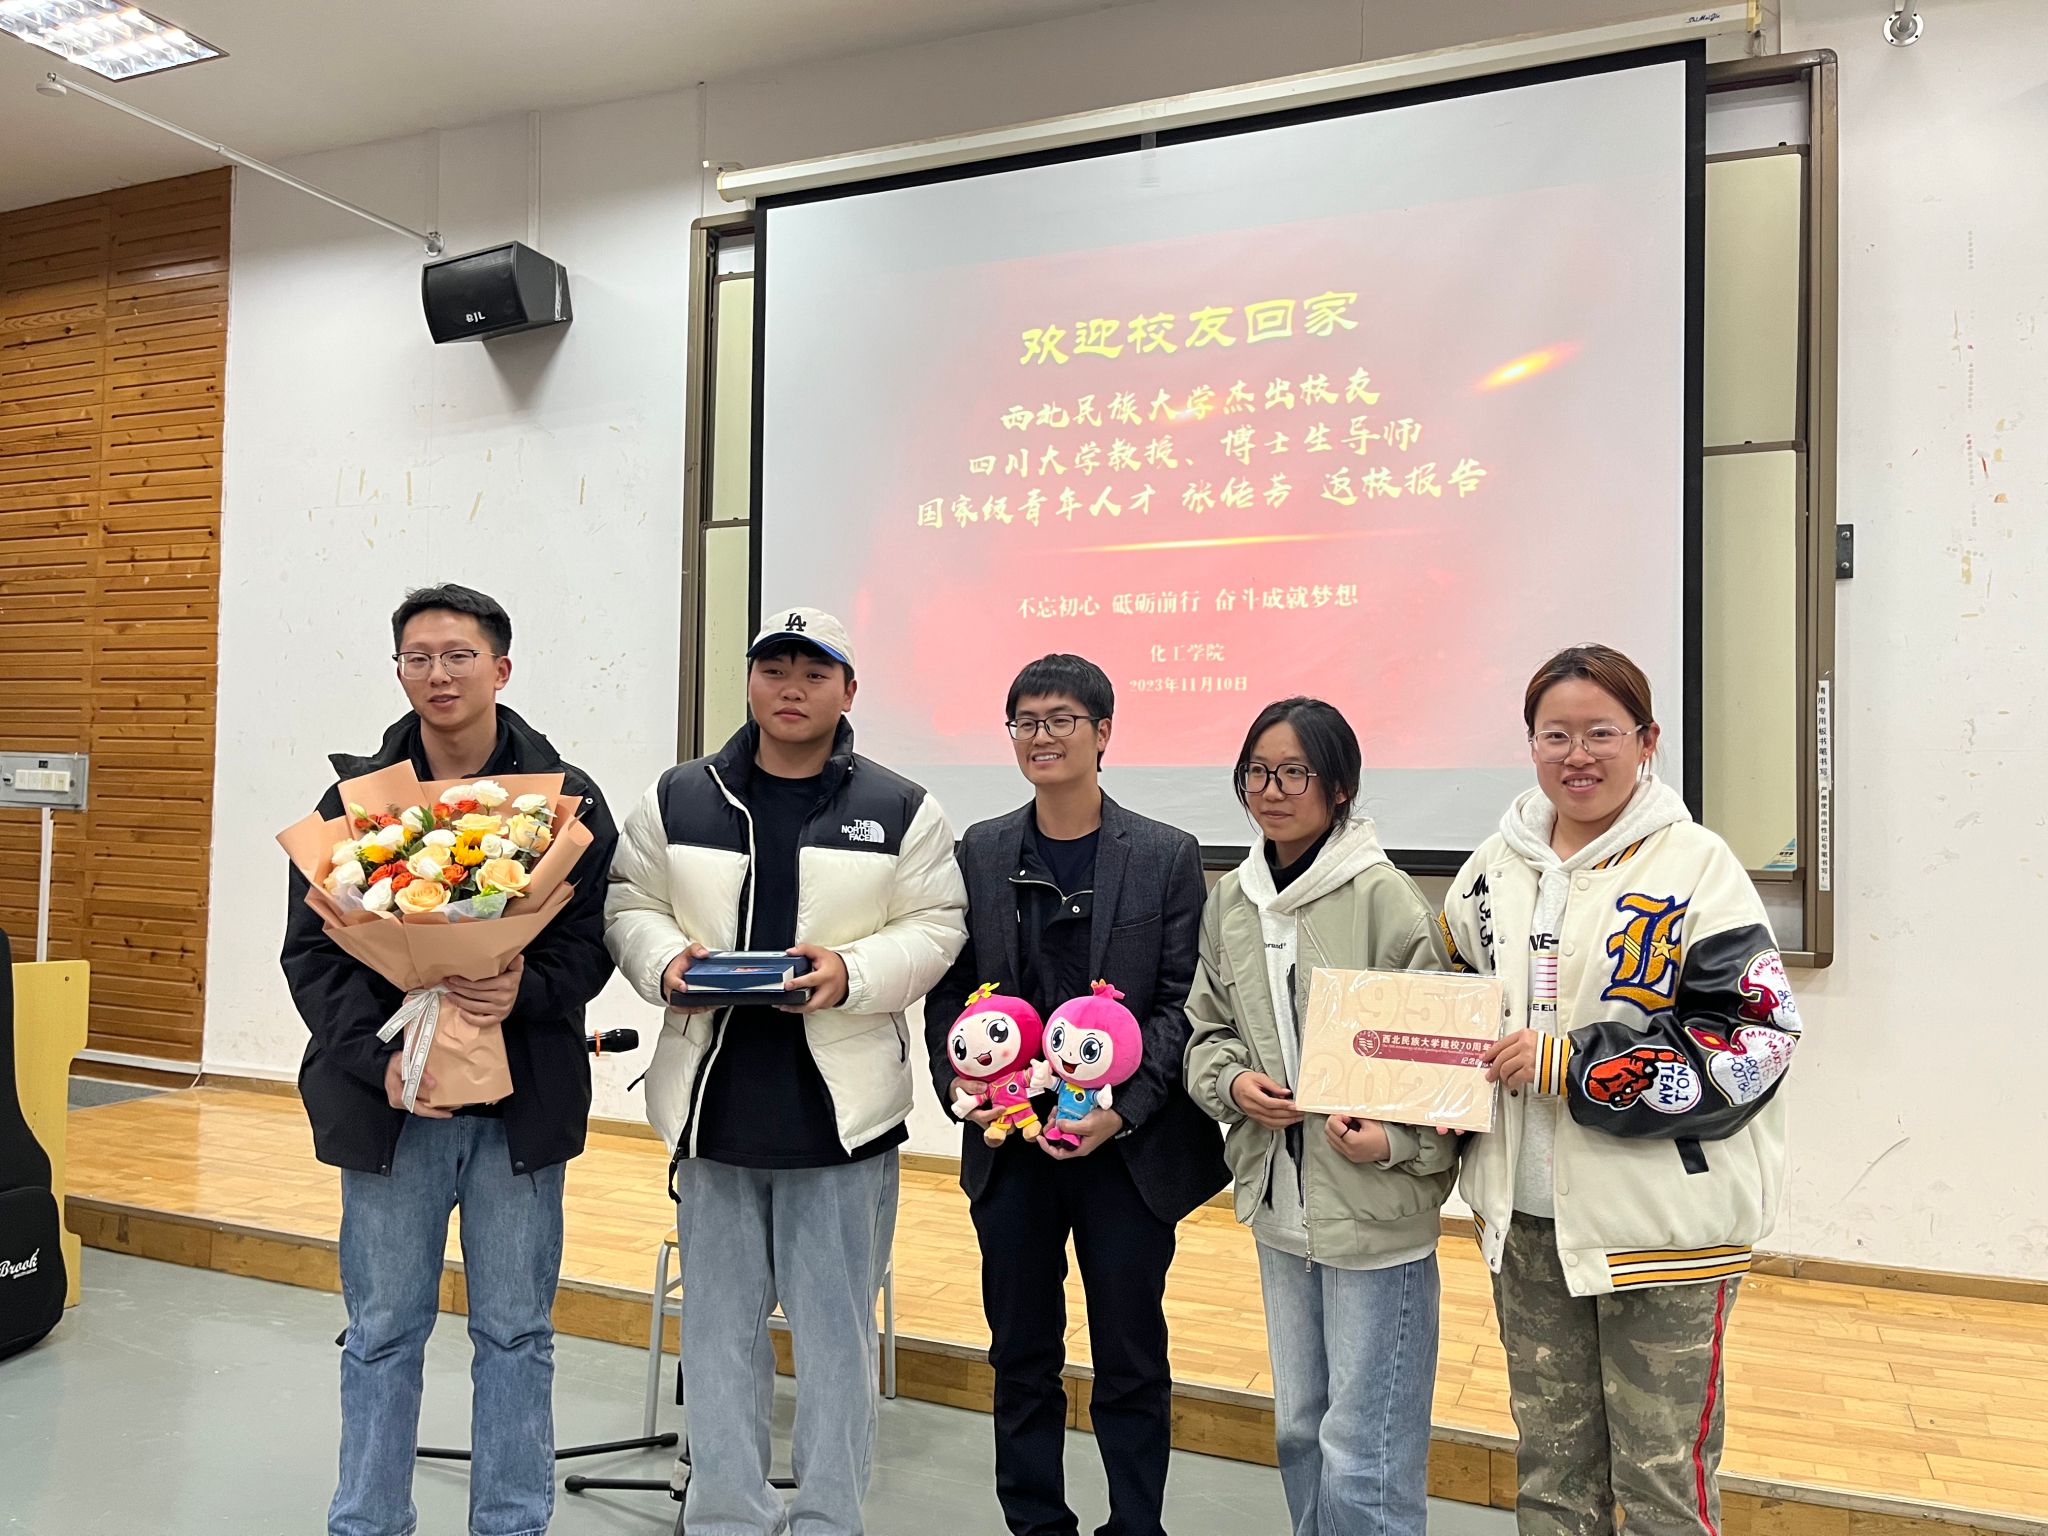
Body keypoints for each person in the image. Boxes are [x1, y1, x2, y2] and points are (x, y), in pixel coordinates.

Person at [605, 606, 967, 1536]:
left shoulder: (901, 807)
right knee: (718, 1335)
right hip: (714, 1111)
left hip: (841, 1121)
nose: (792, 688)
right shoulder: (681, 796)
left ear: (849, 691)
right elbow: (630, 901)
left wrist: (852, 973)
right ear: (750, 681)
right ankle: (726, 1514)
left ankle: (827, 1519)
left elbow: (937, 928)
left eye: (815, 673)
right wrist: (665, 963)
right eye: (775, 669)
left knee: (837, 1341)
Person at [281, 582, 619, 1536]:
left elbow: (593, 941)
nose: (438, 674)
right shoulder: (355, 803)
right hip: (392, 1109)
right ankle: (367, 1520)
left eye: (459, 655)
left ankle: (511, 1523)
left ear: (500, 668)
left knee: (515, 1333)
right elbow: (312, 954)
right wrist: (378, 1061)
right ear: (399, 671)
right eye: (418, 657)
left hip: (520, 1113)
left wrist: (527, 990)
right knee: (382, 1330)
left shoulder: (567, 800)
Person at [1441, 643, 1800, 1536]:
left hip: (1662, 1233)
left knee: (1662, 1487)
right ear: (1530, 744)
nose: (1578, 755)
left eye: (1601, 732)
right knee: (1552, 1478)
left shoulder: (1697, 866)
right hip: (1526, 1226)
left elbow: (1757, 1038)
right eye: (1555, 734)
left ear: (1647, 740)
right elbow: (1450, 999)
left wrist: (1574, 1065)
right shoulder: (1490, 870)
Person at [926, 654, 1226, 1536]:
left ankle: (1136, 1525)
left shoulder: (1165, 854)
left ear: (1104, 732)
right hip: (1011, 1146)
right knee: (1021, 1353)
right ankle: (1037, 1524)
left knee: (1130, 1357)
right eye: (1026, 721)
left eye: (1061, 719)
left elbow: (1181, 1003)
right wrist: (963, 1082)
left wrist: (1121, 1111)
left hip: (1123, 1153)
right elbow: (952, 990)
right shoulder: (981, 850)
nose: (1042, 736)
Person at [1182, 697, 1456, 1536]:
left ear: (1339, 788)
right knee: (1301, 1430)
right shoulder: (1233, 900)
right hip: (1279, 1206)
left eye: (1294, 772)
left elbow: (1443, 1066)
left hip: (1374, 1213)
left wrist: (1394, 1141)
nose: (1271, 790)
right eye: (1257, 772)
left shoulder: (1387, 899)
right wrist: (1232, 1084)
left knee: (1366, 1449)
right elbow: (1205, 1031)